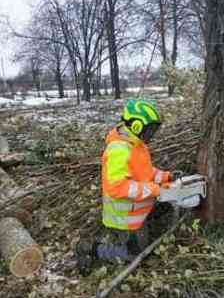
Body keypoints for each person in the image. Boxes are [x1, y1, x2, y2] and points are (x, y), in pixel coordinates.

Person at [76, 99, 179, 274]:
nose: (152, 134)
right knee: (133, 256)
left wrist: (167, 177)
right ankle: (89, 248)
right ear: (137, 126)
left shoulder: (136, 144)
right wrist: (155, 189)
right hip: (125, 217)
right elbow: (118, 187)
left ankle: (147, 228)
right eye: (150, 130)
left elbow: (146, 172)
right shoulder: (119, 150)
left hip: (140, 209)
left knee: (166, 207)